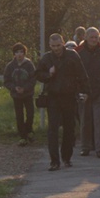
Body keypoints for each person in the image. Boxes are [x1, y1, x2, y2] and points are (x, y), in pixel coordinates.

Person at [36, 34, 90, 171]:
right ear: (50, 46)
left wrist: (85, 92)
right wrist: (48, 74)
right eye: (53, 46)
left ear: (63, 43)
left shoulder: (72, 56)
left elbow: (82, 75)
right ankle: (54, 161)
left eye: (58, 45)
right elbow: (37, 74)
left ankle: (66, 157)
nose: (56, 49)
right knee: (52, 129)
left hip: (69, 96)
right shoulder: (47, 58)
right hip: (53, 97)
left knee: (69, 128)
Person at [76, 27, 100, 158]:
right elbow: (74, 70)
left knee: (99, 119)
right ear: (85, 37)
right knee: (85, 120)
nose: (93, 40)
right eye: (91, 37)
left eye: (96, 37)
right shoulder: (78, 52)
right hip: (84, 91)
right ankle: (85, 147)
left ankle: (99, 148)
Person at [3, 42, 36, 146]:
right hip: (16, 95)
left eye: (21, 52)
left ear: (24, 53)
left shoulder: (29, 64)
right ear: (14, 54)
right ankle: (22, 136)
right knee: (19, 115)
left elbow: (33, 79)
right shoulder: (10, 66)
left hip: (28, 94)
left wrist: (25, 88)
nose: (19, 54)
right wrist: (14, 88)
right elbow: (6, 81)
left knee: (30, 114)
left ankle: (28, 130)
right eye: (17, 52)